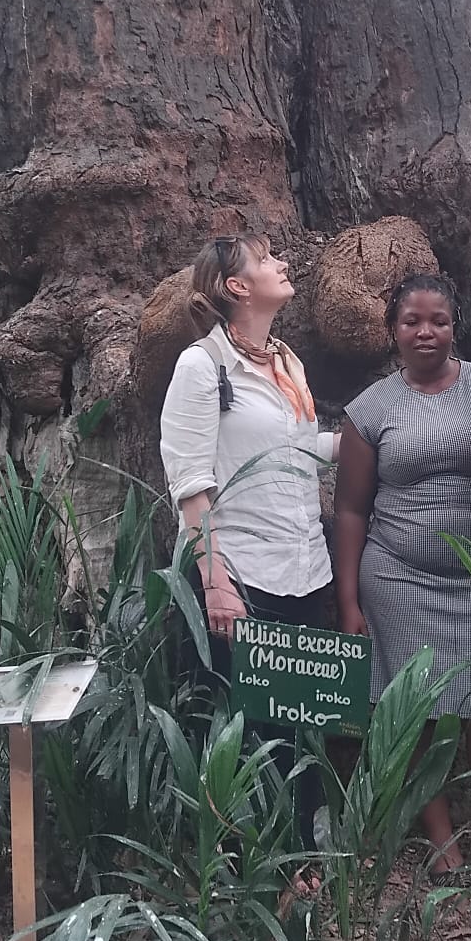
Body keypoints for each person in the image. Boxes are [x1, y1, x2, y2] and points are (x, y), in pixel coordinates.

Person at [332, 273, 471, 875]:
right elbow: (350, 510)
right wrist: (349, 602)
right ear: (392, 330)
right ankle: (440, 836)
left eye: (439, 321)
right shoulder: (371, 409)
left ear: (455, 328)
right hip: (399, 578)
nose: (426, 332)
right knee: (413, 705)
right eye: (411, 321)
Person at [159, 233, 339, 841]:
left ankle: (299, 854)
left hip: (305, 567)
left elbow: (297, 450)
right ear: (237, 286)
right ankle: (242, 860)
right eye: (266, 260)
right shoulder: (201, 365)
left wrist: (363, 441)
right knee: (245, 728)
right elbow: (190, 483)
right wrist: (215, 582)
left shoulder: (286, 363)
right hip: (240, 575)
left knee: (298, 720)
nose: (281, 264)